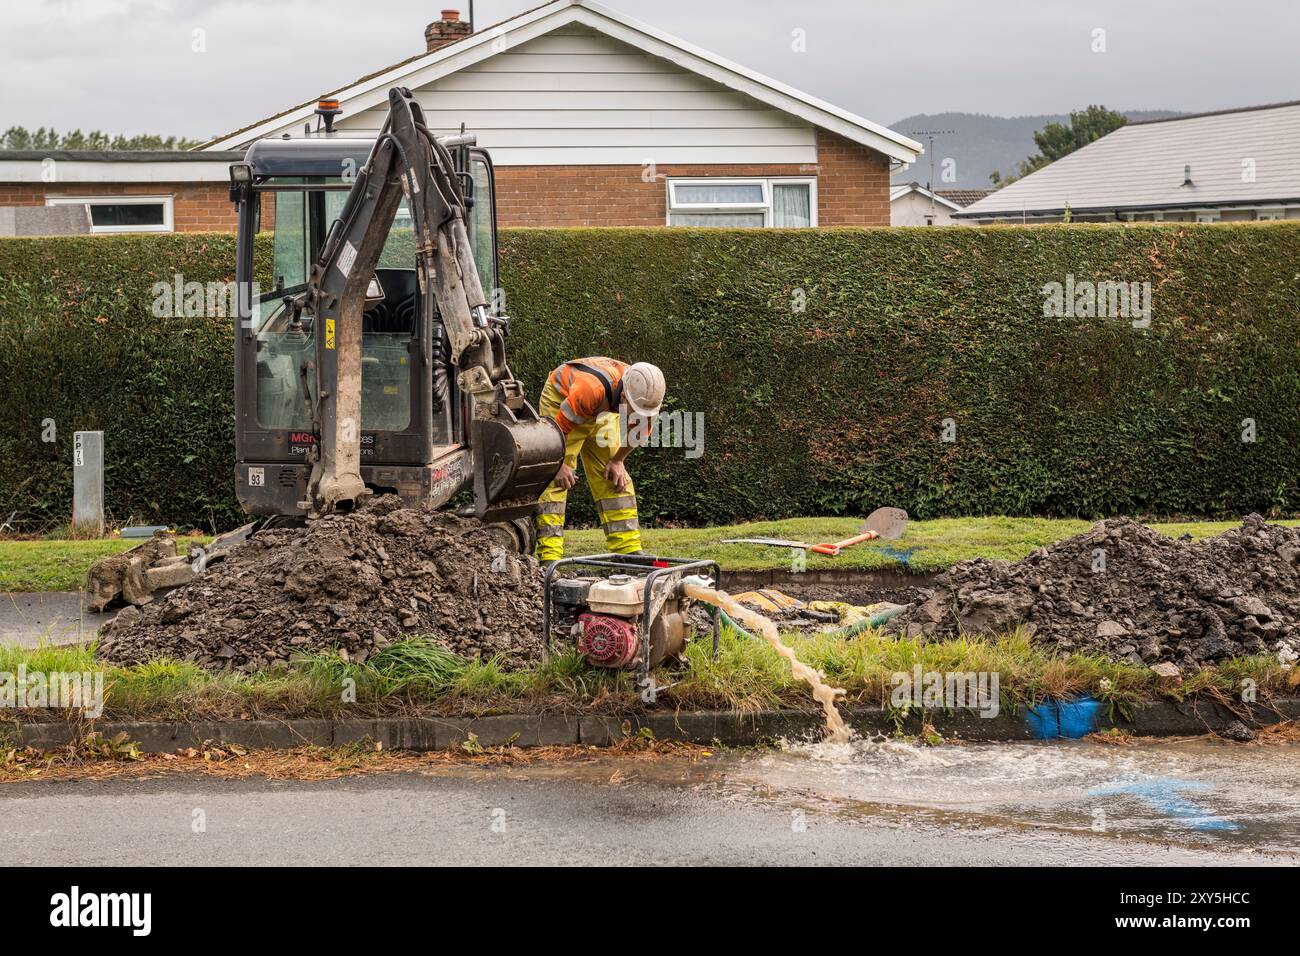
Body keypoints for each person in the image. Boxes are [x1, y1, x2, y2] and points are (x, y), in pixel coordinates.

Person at [534, 357, 665, 564]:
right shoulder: (589, 390)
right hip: (562, 402)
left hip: (601, 409)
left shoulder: (646, 397)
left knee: (615, 476)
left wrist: (617, 460)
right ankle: (549, 557)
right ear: (623, 397)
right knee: (556, 481)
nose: (638, 417)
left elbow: (636, 434)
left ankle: (628, 551)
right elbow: (556, 433)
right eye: (635, 412)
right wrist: (558, 464)